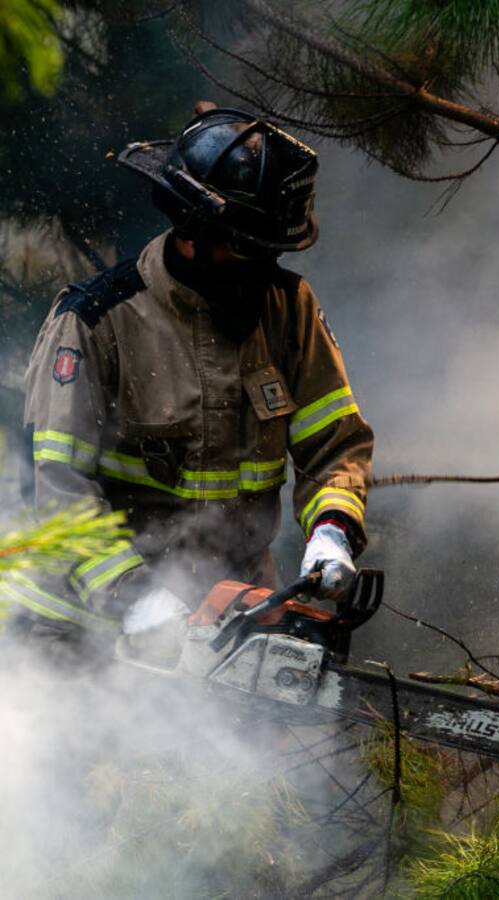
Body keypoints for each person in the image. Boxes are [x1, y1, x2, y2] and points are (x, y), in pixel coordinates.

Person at [8, 104, 373, 643]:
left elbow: (334, 445)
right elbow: (61, 489)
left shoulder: (287, 307)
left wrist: (332, 530)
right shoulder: (94, 321)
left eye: (269, 250)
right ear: (192, 228)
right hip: (85, 628)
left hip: (227, 620)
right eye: (246, 247)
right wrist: (133, 595)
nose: (261, 267)